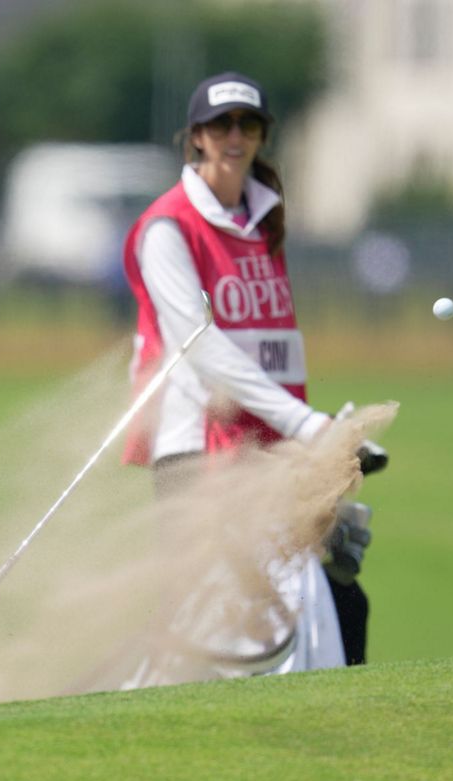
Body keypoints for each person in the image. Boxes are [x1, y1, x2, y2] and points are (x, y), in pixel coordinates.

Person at [120, 71, 374, 682]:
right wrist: (312, 427)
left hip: (270, 445)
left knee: (333, 589)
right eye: (220, 124)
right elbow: (205, 351)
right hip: (196, 452)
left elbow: (275, 348)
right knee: (200, 619)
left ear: (262, 136)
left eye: (248, 124)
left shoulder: (264, 221)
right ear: (197, 138)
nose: (235, 135)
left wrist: (313, 433)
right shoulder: (167, 227)